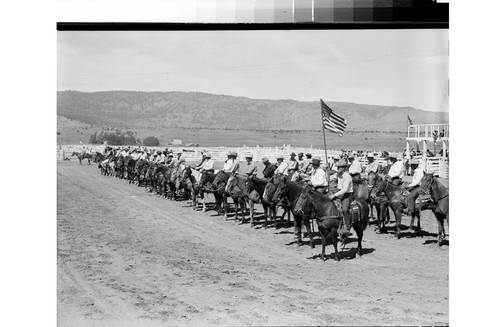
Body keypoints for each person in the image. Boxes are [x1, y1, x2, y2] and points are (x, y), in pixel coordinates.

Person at [328, 159, 354, 235]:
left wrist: (334, 195)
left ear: (344, 168)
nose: (338, 169)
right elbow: (328, 178)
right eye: (338, 167)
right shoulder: (337, 174)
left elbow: (345, 190)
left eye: (340, 167)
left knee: (344, 210)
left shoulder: (348, 177)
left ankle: (347, 226)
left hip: (347, 194)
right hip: (338, 192)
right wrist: (327, 170)